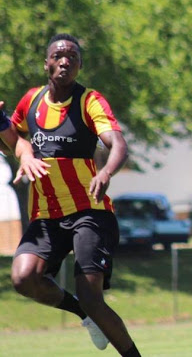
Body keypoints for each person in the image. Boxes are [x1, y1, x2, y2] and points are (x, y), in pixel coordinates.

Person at [7, 33, 141, 356]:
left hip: (89, 212)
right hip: (46, 216)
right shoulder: (31, 101)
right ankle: (82, 312)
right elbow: (12, 137)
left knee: (93, 297)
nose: (65, 61)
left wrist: (106, 172)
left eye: (73, 57)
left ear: (79, 66)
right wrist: (25, 154)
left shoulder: (89, 101)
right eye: (58, 55)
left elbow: (118, 144)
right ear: (46, 63)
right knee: (24, 278)